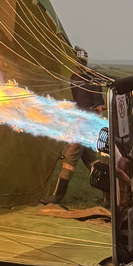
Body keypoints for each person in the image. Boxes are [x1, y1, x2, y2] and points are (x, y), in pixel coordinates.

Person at [43, 46, 106, 206]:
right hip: (89, 124)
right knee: (91, 161)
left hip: (82, 125)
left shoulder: (77, 78)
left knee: (69, 159)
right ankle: (110, 195)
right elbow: (99, 105)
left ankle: (57, 197)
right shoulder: (93, 79)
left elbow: (88, 105)